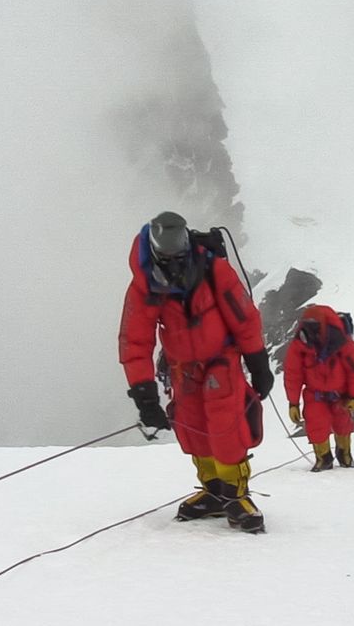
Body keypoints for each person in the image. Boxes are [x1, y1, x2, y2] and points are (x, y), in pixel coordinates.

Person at [119, 211, 275, 533]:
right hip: (183, 368)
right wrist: (145, 395)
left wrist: (258, 363)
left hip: (221, 360)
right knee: (192, 426)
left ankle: (235, 495)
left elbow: (243, 317)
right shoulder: (145, 283)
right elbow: (135, 340)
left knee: (224, 425)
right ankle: (214, 491)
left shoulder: (213, 270)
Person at [282, 304, 354, 471]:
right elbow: (293, 373)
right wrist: (293, 402)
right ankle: (323, 458)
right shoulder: (300, 344)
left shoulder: (344, 343)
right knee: (316, 423)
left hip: (341, 395)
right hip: (315, 394)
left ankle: (345, 454)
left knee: (342, 424)